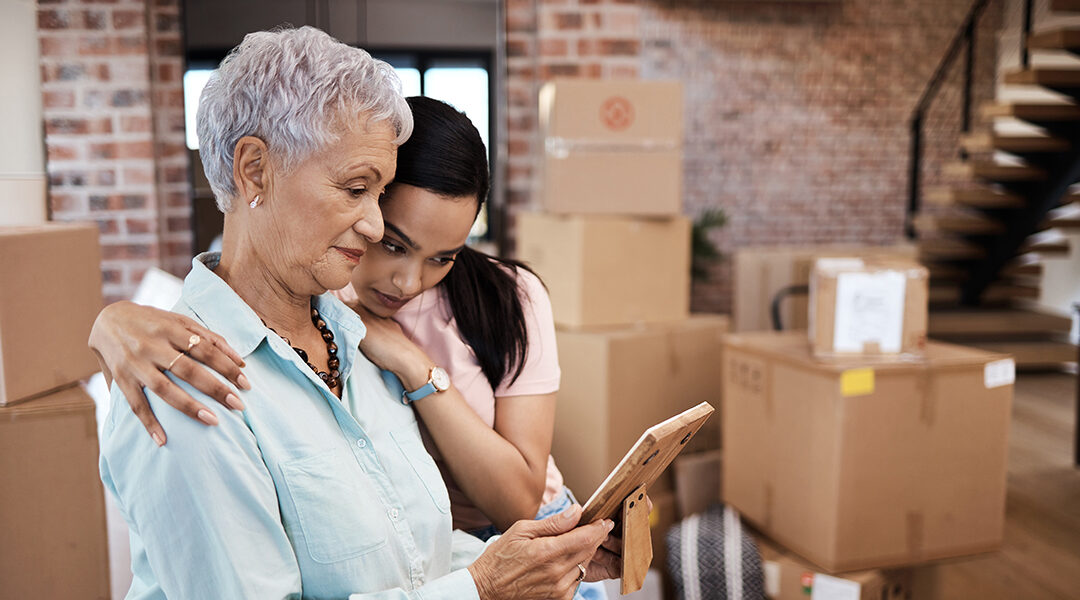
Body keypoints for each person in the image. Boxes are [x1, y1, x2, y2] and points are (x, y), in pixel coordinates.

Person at [95, 26, 618, 599]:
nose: (372, 225)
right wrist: (484, 589)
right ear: (253, 170)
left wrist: (538, 560)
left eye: (381, 193)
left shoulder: (351, 339)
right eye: (355, 189)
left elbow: (414, 554)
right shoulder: (186, 384)